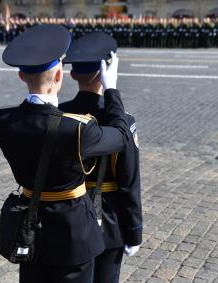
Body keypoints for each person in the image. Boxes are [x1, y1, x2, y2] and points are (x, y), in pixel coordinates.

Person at [0, 24, 129, 283]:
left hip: (30, 229)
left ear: (21, 76)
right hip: (73, 235)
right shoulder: (77, 128)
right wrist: (111, 90)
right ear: (59, 77)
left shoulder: (0, 120)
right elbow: (121, 136)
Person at [60, 32, 142, 283]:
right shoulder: (122, 121)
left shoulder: (59, 115)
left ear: (72, 74)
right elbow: (129, 181)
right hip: (109, 221)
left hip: (69, 217)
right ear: (105, 72)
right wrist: (134, 232)